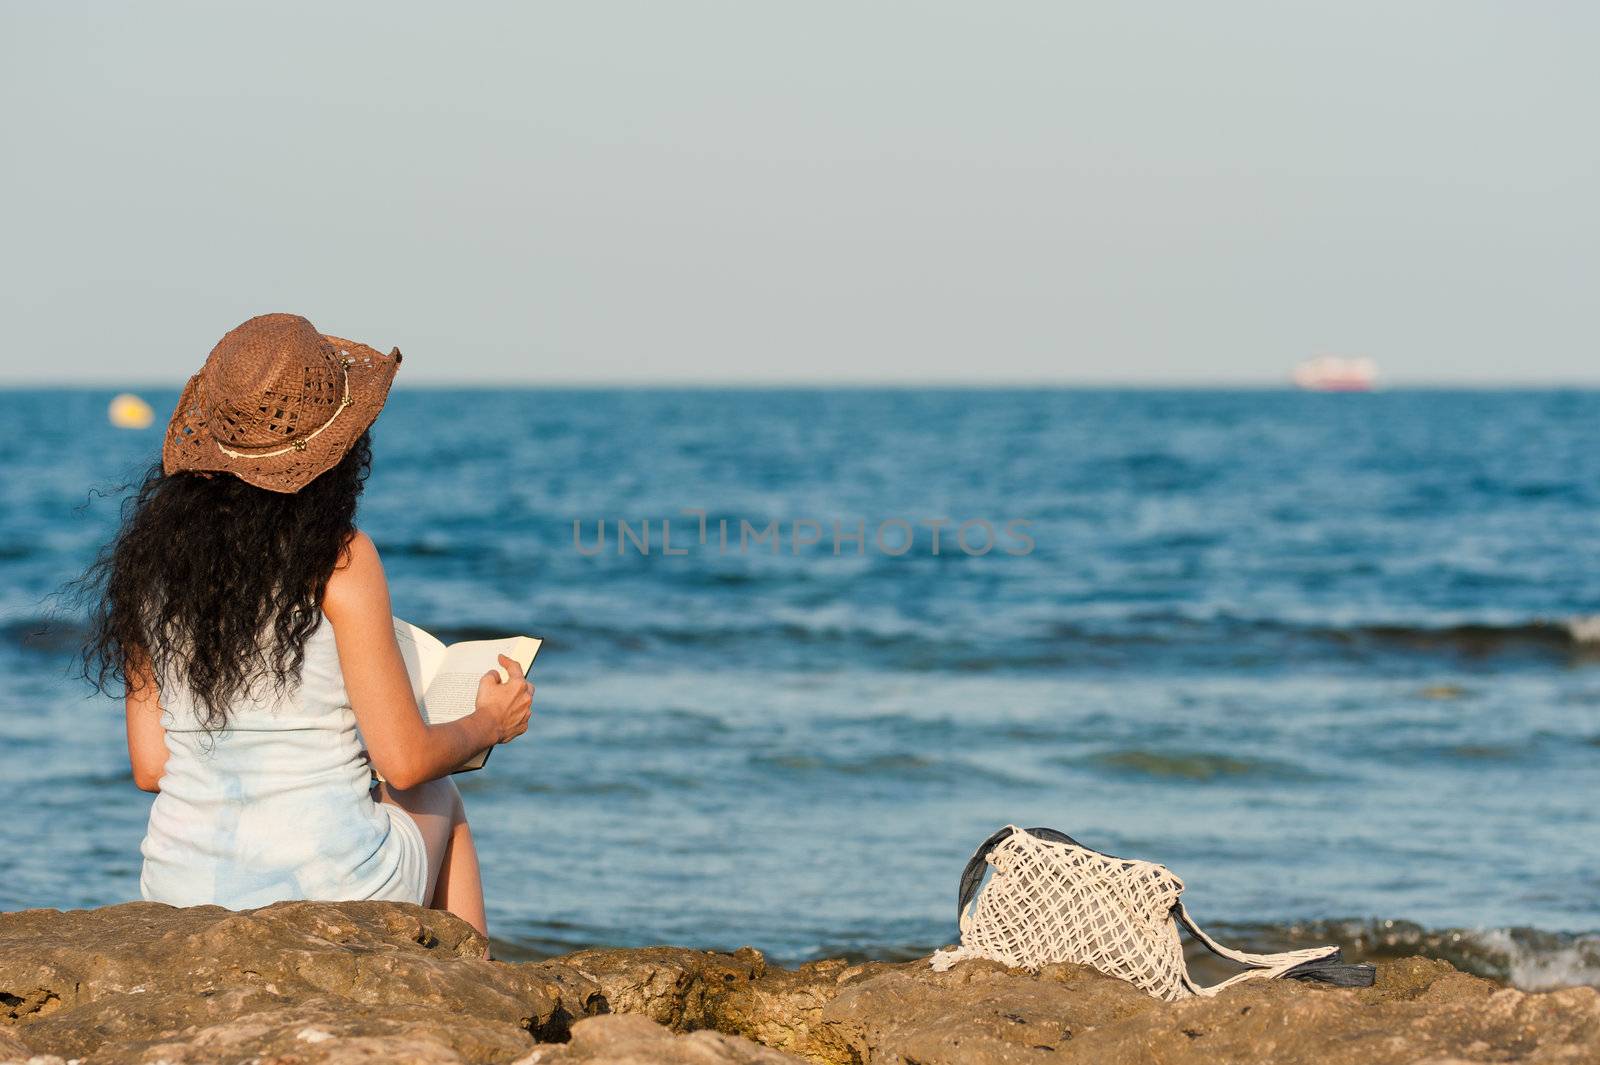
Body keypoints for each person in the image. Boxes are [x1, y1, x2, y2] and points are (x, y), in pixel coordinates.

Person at [77, 313, 531, 939]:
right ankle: (474, 1000)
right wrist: (489, 722)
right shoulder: (339, 561)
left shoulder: (151, 565)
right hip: (331, 891)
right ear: (338, 448)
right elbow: (403, 763)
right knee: (436, 798)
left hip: (177, 894)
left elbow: (152, 767)